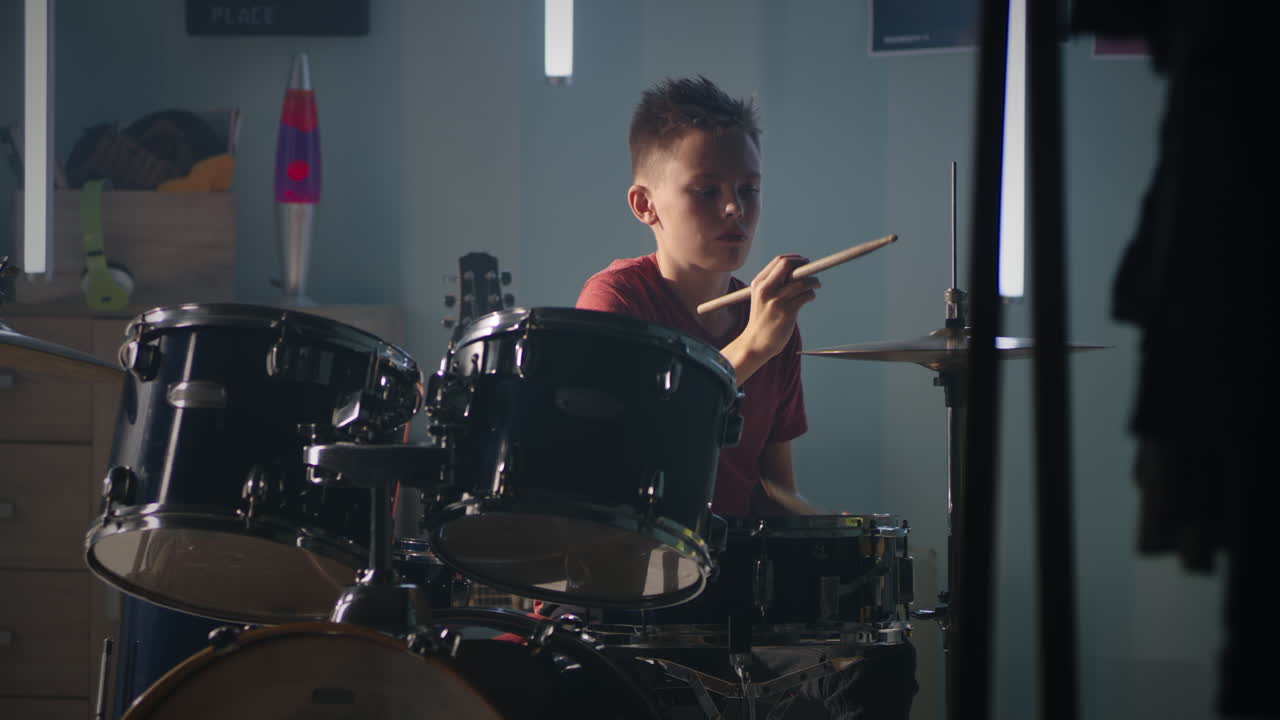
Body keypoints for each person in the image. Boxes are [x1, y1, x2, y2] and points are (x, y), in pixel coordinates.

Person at [569, 76, 916, 720]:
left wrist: (841, 538)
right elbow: (632, 446)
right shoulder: (616, 302)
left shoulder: (774, 325)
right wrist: (755, 344)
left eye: (748, 191)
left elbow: (768, 484)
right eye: (707, 191)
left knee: (877, 661)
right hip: (630, 588)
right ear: (646, 204)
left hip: (732, 588)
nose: (736, 210)